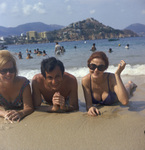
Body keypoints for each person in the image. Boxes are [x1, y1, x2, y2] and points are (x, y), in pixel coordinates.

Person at [82, 51, 137, 116]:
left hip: (119, 97)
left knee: (127, 88)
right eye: (92, 66)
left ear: (105, 68)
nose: (96, 70)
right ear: (88, 65)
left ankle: (131, 84)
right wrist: (90, 108)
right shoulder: (86, 80)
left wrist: (117, 75)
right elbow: (88, 105)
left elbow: (125, 101)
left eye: (101, 67)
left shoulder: (111, 78)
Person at [0, 50, 33, 122]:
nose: (8, 74)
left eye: (11, 70)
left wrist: (21, 113)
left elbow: (29, 107)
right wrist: (4, 113)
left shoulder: (23, 84)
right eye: (4, 71)